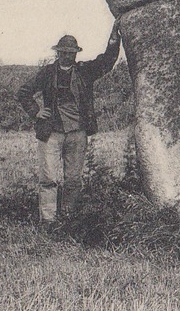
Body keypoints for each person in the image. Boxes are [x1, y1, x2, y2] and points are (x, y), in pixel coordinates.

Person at [18, 22, 121, 230]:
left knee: (73, 180)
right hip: (51, 133)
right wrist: (36, 112)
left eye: (71, 52)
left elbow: (107, 62)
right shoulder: (47, 73)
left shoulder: (85, 72)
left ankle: (68, 220)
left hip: (77, 133)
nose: (68, 56)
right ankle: (48, 222)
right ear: (58, 53)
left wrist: (114, 40)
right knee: (48, 178)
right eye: (64, 52)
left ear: (76, 54)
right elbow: (23, 92)